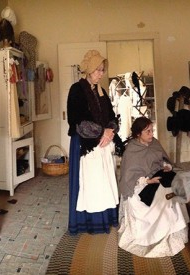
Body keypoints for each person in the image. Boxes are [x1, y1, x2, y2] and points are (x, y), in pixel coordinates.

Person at [66, 50, 121, 234]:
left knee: (104, 183)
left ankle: (107, 218)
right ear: (89, 70)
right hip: (86, 145)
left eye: (102, 70)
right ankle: (90, 222)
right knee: (91, 185)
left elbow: (112, 116)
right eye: (97, 70)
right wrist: (101, 132)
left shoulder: (101, 91)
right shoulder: (76, 89)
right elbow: (76, 121)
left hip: (103, 145)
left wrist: (111, 130)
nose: (101, 74)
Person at [118, 117, 189, 257]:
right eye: (148, 132)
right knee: (163, 200)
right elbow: (129, 178)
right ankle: (158, 235)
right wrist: (148, 181)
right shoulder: (131, 151)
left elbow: (162, 160)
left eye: (152, 130)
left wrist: (166, 166)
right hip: (140, 186)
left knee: (175, 189)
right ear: (138, 134)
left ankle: (173, 231)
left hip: (158, 176)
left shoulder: (154, 142)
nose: (151, 134)